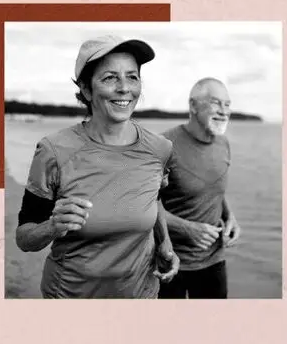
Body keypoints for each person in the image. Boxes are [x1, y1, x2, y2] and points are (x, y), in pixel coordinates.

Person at [15, 35, 180, 299]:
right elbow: (23, 238)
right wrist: (52, 227)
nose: (124, 88)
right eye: (110, 78)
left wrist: (165, 244)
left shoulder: (160, 148)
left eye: (132, 77)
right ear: (87, 90)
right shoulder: (54, 150)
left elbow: (154, 198)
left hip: (142, 295)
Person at [157, 77, 240, 299]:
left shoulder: (223, 144)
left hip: (214, 261)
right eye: (216, 103)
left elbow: (214, 189)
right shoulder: (163, 146)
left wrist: (230, 216)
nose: (224, 111)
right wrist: (187, 228)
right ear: (193, 106)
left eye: (228, 104)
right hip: (169, 262)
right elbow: (142, 205)